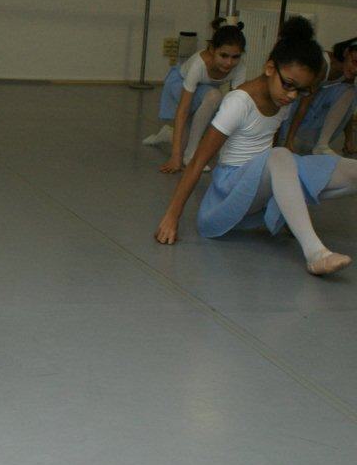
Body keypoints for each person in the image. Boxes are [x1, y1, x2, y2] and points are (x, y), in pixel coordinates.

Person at [155, 17, 357, 276]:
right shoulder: (239, 102)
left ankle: (291, 214)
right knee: (281, 155)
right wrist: (172, 217)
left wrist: (287, 196)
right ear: (270, 68)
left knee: (349, 170)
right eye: (289, 85)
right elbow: (197, 162)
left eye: (302, 91)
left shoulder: (283, 98)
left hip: (260, 186)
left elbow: (270, 147)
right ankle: (315, 252)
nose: (292, 96)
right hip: (227, 194)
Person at [143, 19, 246, 173]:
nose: (229, 62)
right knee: (214, 95)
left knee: (214, 101)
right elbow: (183, 110)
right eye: (223, 55)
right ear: (212, 49)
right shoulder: (199, 65)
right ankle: (190, 156)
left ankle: (166, 134)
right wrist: (175, 157)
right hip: (179, 85)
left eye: (235, 57)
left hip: (204, 91)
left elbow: (238, 104)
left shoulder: (240, 66)